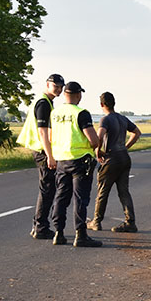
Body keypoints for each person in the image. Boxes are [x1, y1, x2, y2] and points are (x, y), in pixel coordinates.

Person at [49, 81, 102, 247]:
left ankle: (58, 233)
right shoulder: (82, 113)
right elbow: (93, 140)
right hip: (80, 161)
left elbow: (50, 138)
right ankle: (80, 234)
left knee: (60, 197)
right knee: (80, 199)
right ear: (79, 95)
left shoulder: (55, 113)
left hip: (61, 160)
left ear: (65, 94)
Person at [17, 73, 65, 239]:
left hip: (41, 149)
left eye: (60, 87)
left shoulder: (45, 101)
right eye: (55, 86)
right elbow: (43, 132)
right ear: (47, 84)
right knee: (47, 189)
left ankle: (38, 224)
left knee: (47, 189)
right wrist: (50, 156)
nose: (58, 89)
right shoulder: (44, 103)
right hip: (42, 150)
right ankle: (41, 227)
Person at [88, 92, 141, 233]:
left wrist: (98, 150)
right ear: (114, 103)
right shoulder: (123, 118)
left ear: (101, 104)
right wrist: (126, 147)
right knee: (124, 192)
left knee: (102, 192)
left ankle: (96, 221)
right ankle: (130, 222)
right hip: (124, 157)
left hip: (111, 159)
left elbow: (99, 136)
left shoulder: (105, 119)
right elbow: (137, 132)